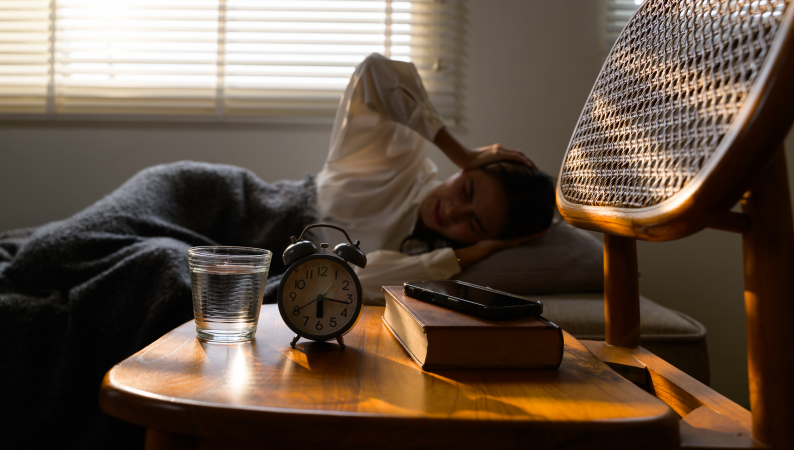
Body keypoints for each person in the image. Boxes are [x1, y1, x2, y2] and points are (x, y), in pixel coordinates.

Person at [314, 53, 555, 302]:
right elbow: (374, 70)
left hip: (295, 274)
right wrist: (461, 153)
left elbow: (358, 280)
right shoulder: (400, 159)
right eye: (466, 191)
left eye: (474, 224)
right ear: (466, 169)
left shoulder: (424, 258)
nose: (453, 211)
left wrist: (479, 253)